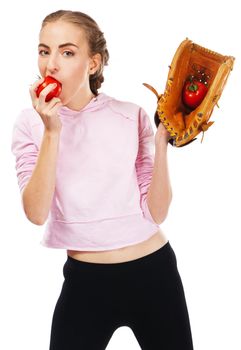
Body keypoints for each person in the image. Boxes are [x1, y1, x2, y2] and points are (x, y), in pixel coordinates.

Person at [11, 9, 194, 350]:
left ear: (92, 64)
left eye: (67, 52)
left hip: (153, 272)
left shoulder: (129, 115)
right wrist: (52, 132)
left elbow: (156, 213)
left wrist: (160, 144)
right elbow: (36, 213)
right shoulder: (30, 124)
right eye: (44, 50)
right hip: (85, 281)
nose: (51, 64)